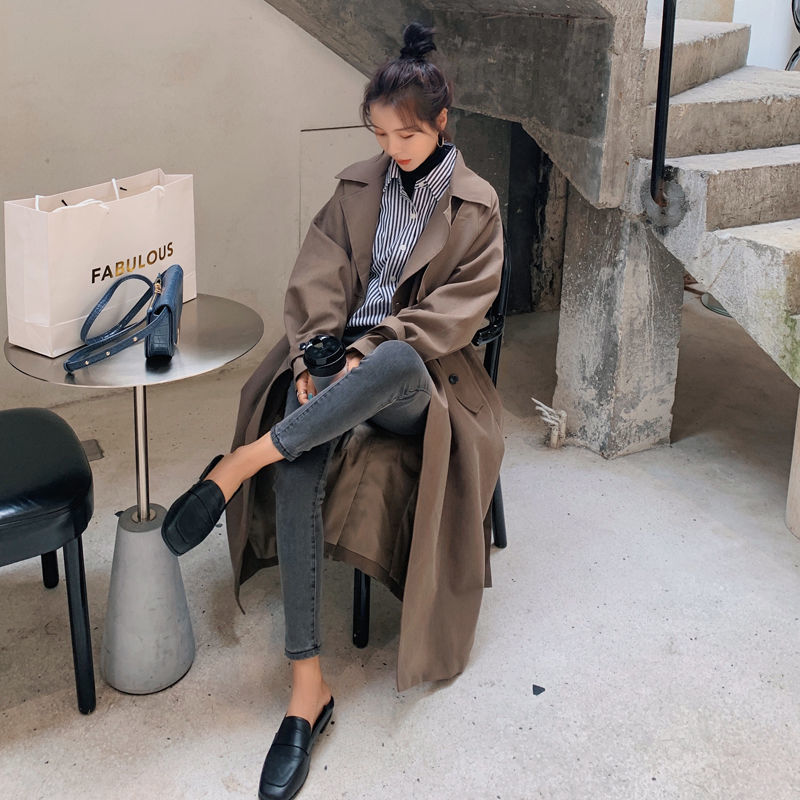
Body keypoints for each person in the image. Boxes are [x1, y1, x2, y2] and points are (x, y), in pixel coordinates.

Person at [162, 22, 504, 800]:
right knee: (301, 462)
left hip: (422, 378)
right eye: (380, 134)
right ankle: (306, 691)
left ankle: (242, 461)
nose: (393, 148)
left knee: (391, 360)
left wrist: (364, 351)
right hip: (334, 368)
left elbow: (454, 315)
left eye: (407, 134)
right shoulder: (356, 187)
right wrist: (317, 355)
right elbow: (316, 277)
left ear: (441, 121)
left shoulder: (478, 207)